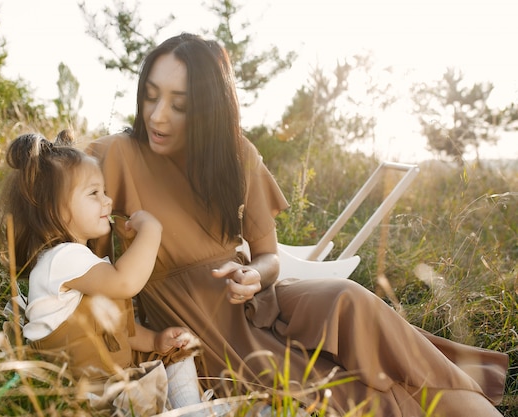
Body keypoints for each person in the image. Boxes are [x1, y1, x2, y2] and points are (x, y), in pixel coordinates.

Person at [87, 33, 509, 416]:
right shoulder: (116, 155)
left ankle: (473, 407)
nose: (158, 117)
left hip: (257, 301)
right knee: (341, 391)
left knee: (349, 297)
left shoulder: (237, 154)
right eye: (151, 96)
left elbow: (269, 255)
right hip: (199, 326)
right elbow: (85, 265)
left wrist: (254, 274)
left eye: (179, 105)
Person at [0, 130, 204, 415]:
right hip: (89, 393)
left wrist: (156, 341)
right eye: (94, 193)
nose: (107, 201)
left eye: (104, 191)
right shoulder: (61, 259)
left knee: (178, 353)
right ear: (52, 208)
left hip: (112, 378)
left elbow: (117, 333)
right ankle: (191, 410)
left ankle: (191, 409)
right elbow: (127, 282)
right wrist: (151, 231)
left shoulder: (84, 262)